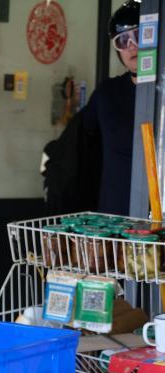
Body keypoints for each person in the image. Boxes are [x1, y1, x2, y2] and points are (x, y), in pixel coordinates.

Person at [81, 0, 140, 217]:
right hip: (114, 221)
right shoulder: (107, 94)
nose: (132, 45)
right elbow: (80, 141)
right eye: (123, 40)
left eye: (140, 35)